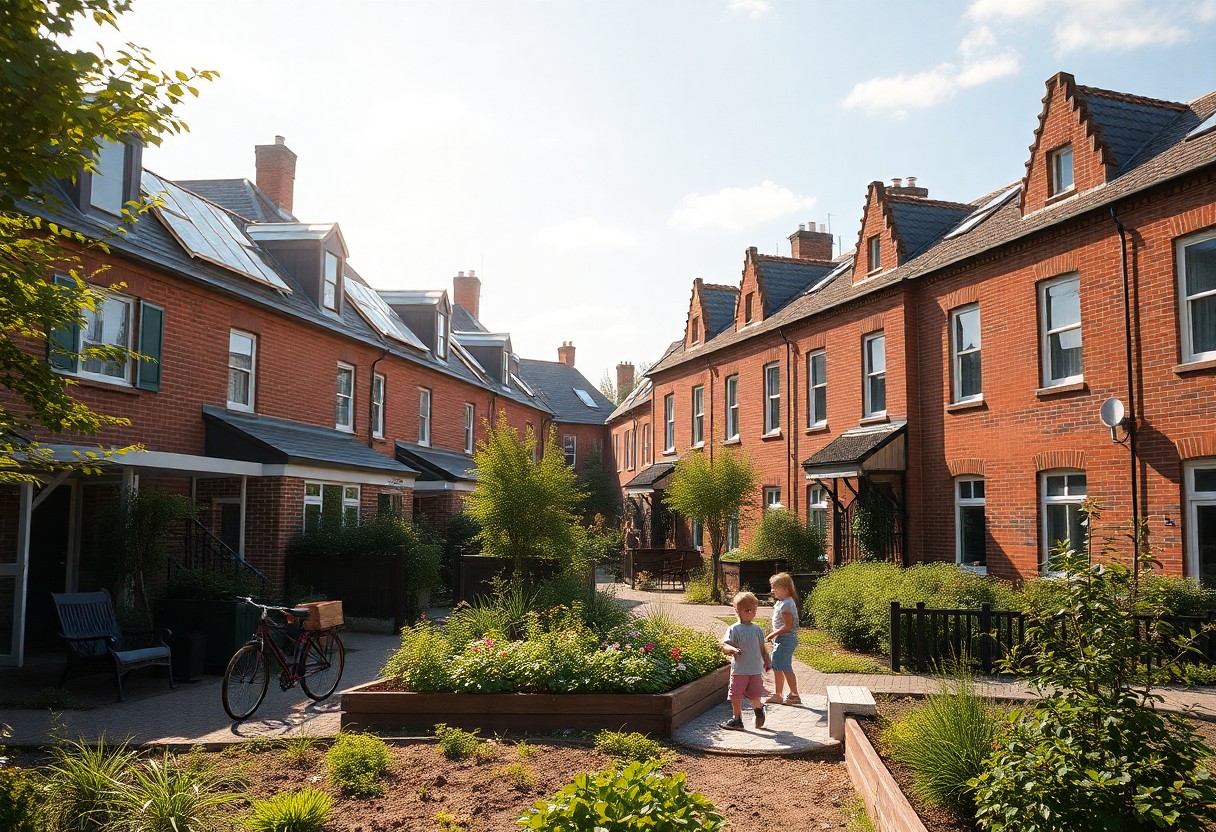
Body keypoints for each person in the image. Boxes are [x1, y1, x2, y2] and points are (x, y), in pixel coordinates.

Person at [719, 591, 771, 731]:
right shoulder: (734, 629)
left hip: (754, 670)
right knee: (736, 694)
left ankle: (758, 710)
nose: (752, 613)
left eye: (754, 610)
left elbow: (762, 647)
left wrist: (767, 659)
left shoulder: (757, 629)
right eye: (748, 610)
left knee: (754, 694)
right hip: (740, 670)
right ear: (737, 610)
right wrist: (733, 649)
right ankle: (738, 719)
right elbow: (725, 644)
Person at [765, 572, 802, 705]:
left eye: (775, 587)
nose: (772, 590)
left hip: (786, 639)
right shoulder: (783, 602)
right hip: (783, 639)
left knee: (784, 666)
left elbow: (788, 626)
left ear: (786, 589)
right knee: (777, 665)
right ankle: (778, 694)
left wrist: (773, 634)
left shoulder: (786, 604)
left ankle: (794, 695)